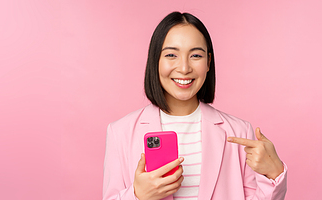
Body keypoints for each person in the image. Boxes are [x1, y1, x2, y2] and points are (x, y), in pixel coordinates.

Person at [102, 12, 287, 200]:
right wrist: (137, 196)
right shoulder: (120, 132)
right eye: (171, 54)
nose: (184, 68)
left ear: (208, 62)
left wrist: (274, 174)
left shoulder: (239, 132)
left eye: (196, 55)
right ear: (155, 60)